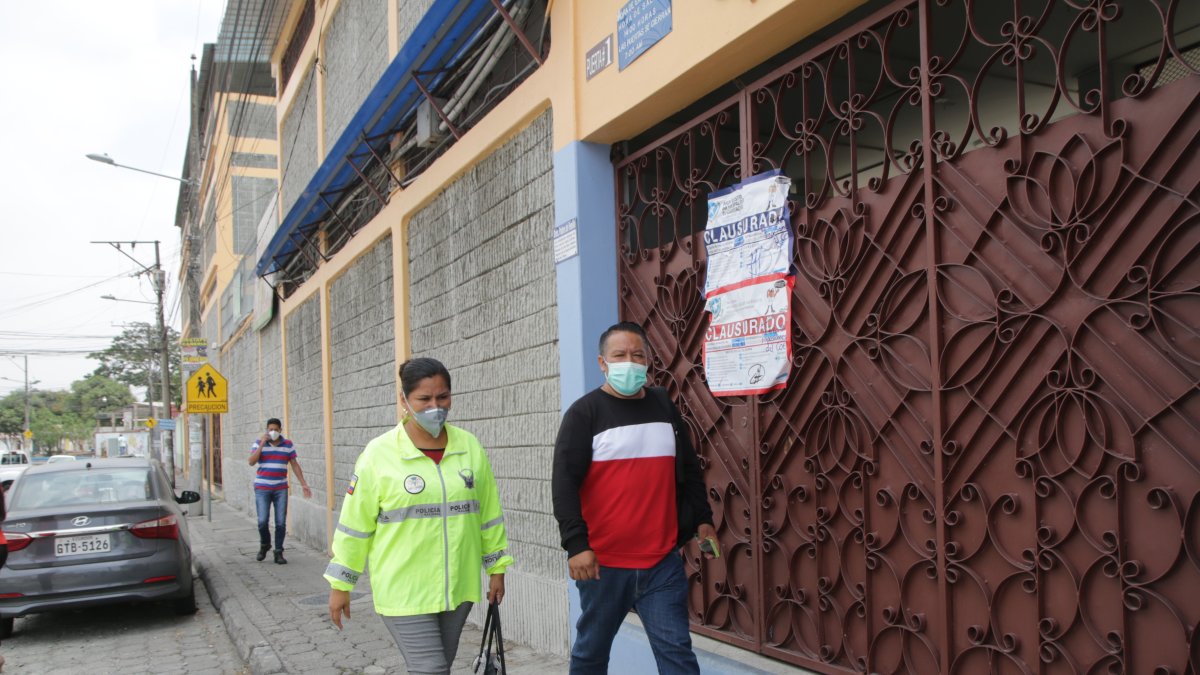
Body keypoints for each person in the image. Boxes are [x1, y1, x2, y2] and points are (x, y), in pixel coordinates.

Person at [326, 357, 513, 675]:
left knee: (441, 666)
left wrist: (497, 567)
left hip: (457, 587)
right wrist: (341, 583)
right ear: (404, 400)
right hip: (404, 588)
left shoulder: (469, 447)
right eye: (424, 399)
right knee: (431, 669)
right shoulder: (378, 454)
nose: (435, 406)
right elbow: (355, 524)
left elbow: (488, 514)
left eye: (442, 397)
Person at [552, 321, 717, 674]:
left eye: (637, 355)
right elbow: (564, 484)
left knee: (677, 655)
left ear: (648, 361)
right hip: (603, 566)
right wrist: (576, 544)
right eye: (620, 355)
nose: (630, 361)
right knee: (591, 654)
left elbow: (688, 468)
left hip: (661, 563)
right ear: (602, 363)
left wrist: (703, 519)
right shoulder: (584, 414)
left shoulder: (663, 406)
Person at [248, 418, 312, 564]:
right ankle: (265, 544)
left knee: (281, 522)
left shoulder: (287, 445)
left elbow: (294, 465)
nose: (273, 432)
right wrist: (262, 444)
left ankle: (278, 552)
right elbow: (251, 461)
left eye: (276, 429)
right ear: (266, 430)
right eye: (270, 429)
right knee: (262, 521)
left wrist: (303, 484)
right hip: (262, 488)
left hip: (280, 488)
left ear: (280, 430)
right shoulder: (259, 443)